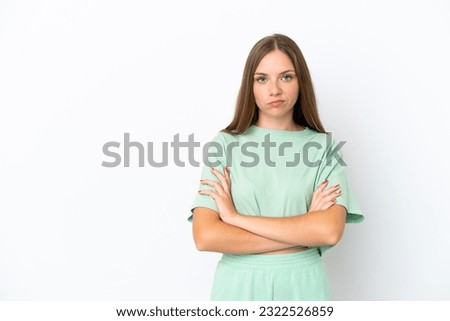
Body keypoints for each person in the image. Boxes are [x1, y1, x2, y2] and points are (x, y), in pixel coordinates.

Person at [188, 34, 364, 301]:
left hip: (303, 285)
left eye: (286, 77)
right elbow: (206, 236)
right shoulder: (225, 145)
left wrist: (235, 219)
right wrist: (303, 233)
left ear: (300, 81)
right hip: (238, 286)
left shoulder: (322, 148)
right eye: (262, 79)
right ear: (251, 85)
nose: (274, 90)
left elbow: (328, 231)